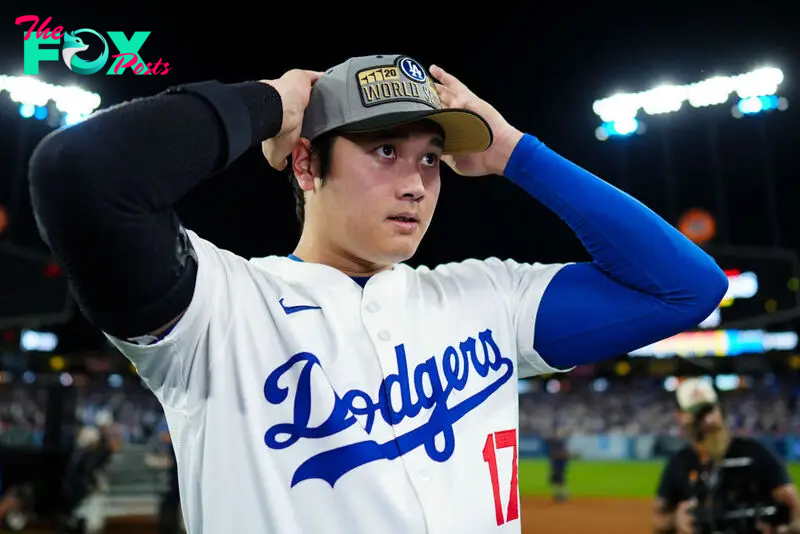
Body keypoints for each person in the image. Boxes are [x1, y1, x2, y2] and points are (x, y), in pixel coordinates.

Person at [28, 53, 728, 533]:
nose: (417, 181)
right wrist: (274, 102)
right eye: (384, 150)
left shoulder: (488, 298)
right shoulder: (220, 309)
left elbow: (685, 289)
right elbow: (81, 173)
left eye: (430, 156)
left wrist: (515, 151)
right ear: (307, 162)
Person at [653, 378, 800, 534]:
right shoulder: (679, 462)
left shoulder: (755, 454)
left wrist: (783, 529)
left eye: (711, 410)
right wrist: (676, 520)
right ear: (681, 417)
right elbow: (658, 517)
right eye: (699, 414)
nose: (708, 420)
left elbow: (795, 512)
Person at [547, 426, 571, 502]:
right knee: (555, 478)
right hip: (556, 462)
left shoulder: (560, 442)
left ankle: (562, 494)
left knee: (560, 478)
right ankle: (558, 494)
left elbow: (563, 454)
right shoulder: (556, 442)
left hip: (559, 462)